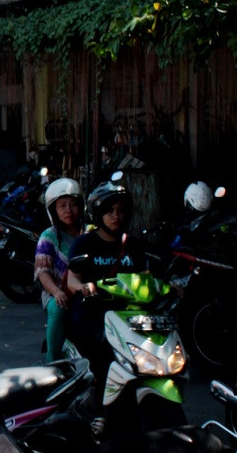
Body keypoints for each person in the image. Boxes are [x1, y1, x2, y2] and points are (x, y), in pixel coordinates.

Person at [66, 180, 149, 431]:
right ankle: (103, 413)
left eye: (121, 210)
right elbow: (72, 279)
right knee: (106, 357)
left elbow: (146, 278)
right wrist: (83, 288)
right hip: (94, 316)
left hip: (130, 316)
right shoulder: (84, 244)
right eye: (110, 210)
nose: (116, 216)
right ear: (99, 214)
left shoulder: (133, 245)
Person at [34, 178, 86, 363]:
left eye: (73, 204)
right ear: (53, 211)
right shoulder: (48, 236)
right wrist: (56, 292)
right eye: (62, 205)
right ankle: (52, 361)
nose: (68, 210)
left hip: (88, 289)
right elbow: (43, 272)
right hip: (56, 291)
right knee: (59, 309)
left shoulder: (90, 232)